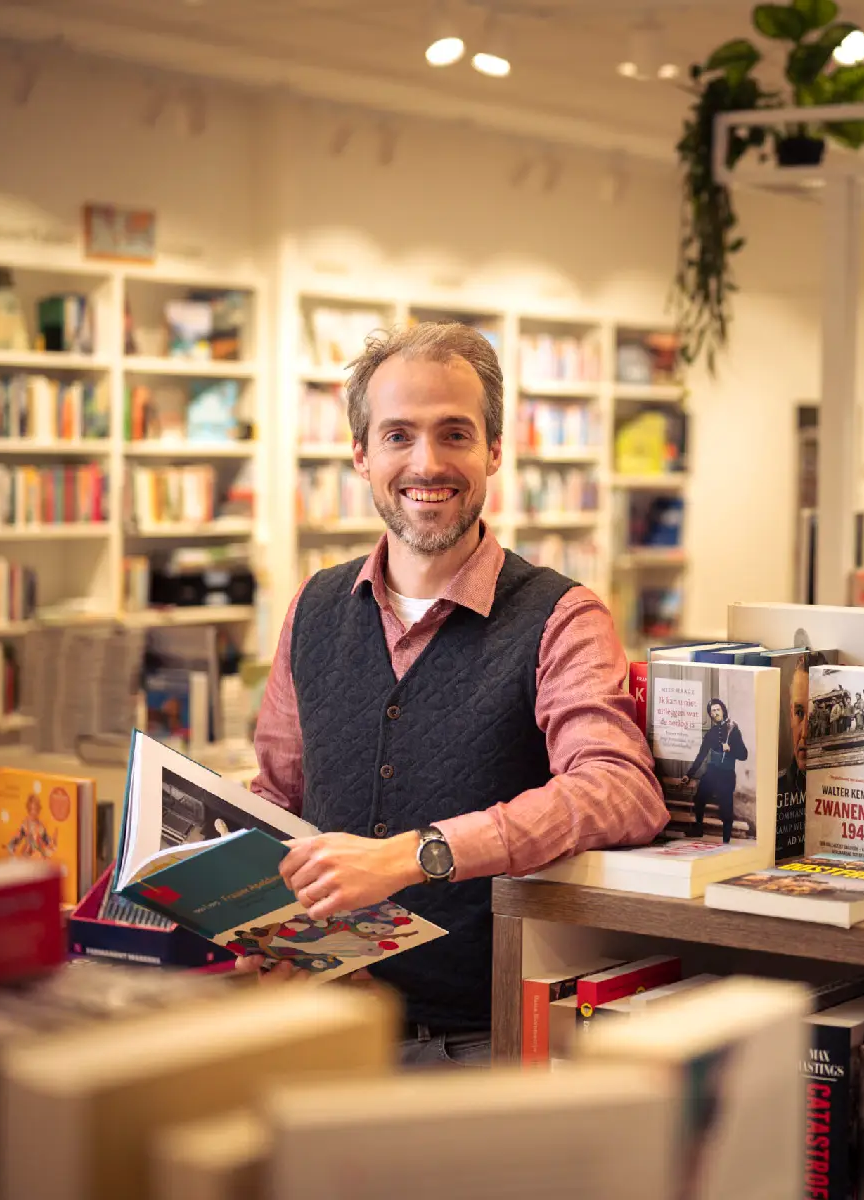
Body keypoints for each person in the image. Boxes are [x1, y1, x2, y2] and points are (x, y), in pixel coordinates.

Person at [246, 321, 669, 1067]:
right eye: (399, 435)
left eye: (455, 435)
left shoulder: (561, 616)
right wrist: (247, 916)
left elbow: (620, 790)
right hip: (315, 1027)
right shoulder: (311, 608)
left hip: (477, 1043)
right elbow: (277, 797)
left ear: (495, 451)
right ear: (361, 454)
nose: (427, 463)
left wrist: (420, 855)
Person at [681, 697, 748, 843]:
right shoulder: (711, 733)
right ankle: (698, 829)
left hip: (726, 774)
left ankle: (726, 840)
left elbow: (744, 755)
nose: (716, 713)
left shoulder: (733, 730)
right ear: (710, 715)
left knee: (726, 807)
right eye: (713, 711)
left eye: (718, 709)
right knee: (699, 798)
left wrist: (731, 749)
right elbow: (701, 755)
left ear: (723, 710)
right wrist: (689, 775)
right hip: (712, 772)